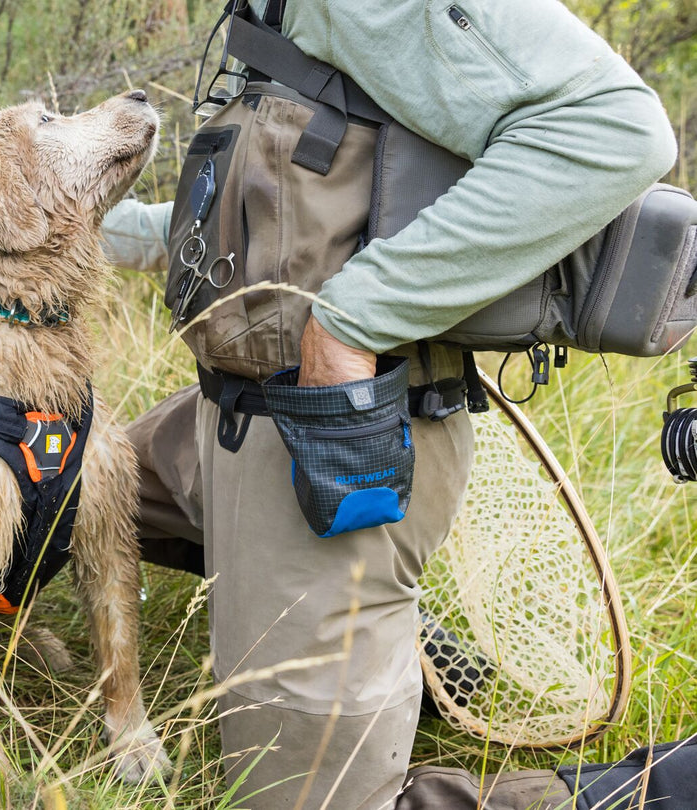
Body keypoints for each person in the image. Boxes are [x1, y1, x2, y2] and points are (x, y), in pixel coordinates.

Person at [102, 1, 683, 807]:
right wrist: (83, 229)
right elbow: (287, 216)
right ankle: (409, 654)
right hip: (232, 422)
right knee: (87, 487)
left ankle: (652, 791)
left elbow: (614, 130)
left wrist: (352, 320)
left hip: (333, 437)